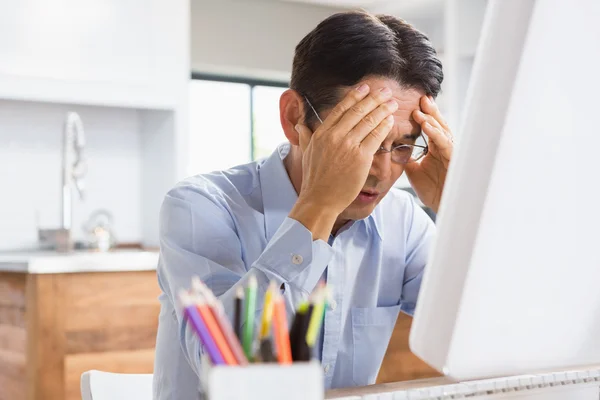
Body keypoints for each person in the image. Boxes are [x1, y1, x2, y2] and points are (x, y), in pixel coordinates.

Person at [153, 10, 454, 399]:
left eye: (402, 145)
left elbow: (486, 333)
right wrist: (319, 208)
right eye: (361, 138)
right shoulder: (199, 207)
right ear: (295, 116)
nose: (380, 170)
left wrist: (460, 211)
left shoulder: (404, 221)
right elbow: (229, 375)